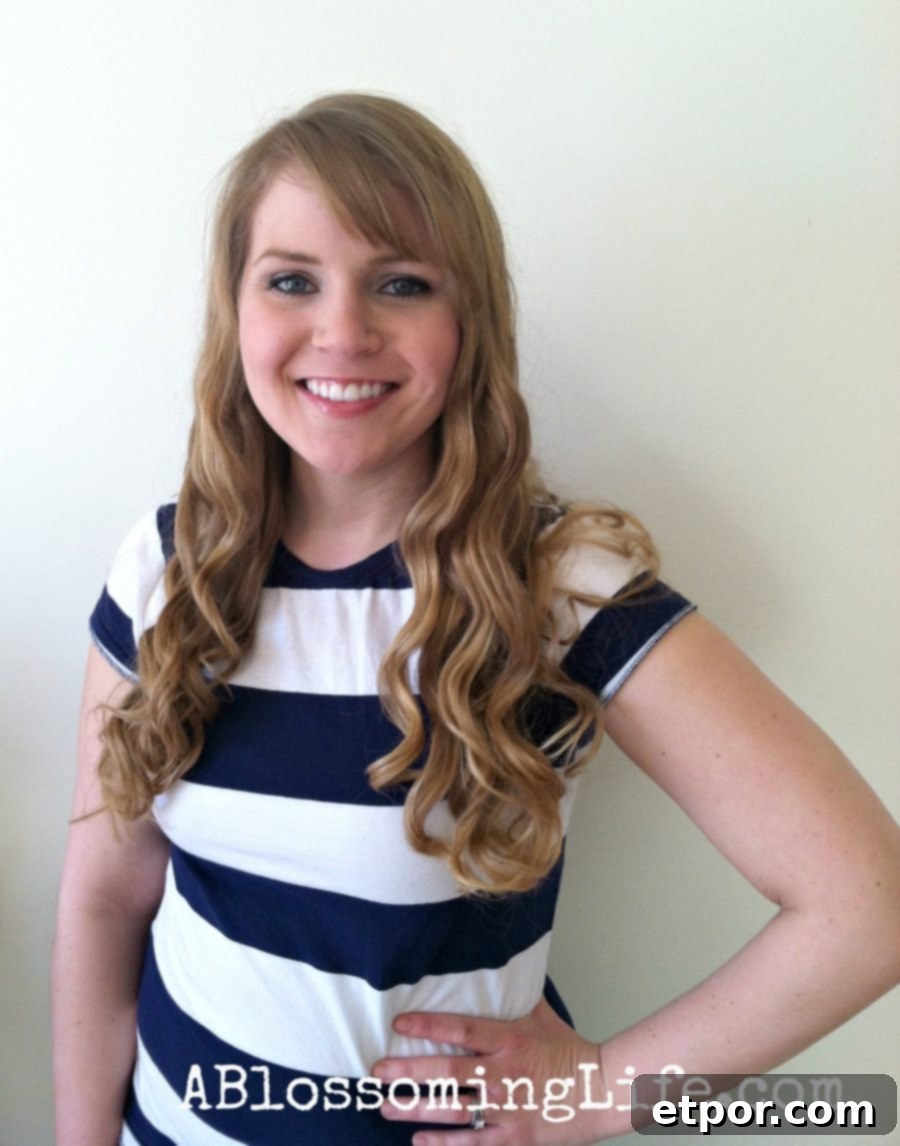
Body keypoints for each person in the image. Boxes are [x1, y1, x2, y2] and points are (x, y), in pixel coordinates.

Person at [52, 93, 900, 1146]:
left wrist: (596, 1093)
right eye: (291, 280)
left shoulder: (555, 586)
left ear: (471, 320)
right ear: (237, 310)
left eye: (402, 283)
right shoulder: (166, 566)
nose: (344, 330)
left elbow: (869, 905)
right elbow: (106, 900)